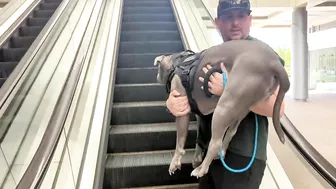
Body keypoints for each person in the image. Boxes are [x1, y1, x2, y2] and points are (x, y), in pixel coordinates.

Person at [165, 0, 286, 188]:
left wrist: (230, 89)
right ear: (217, 22)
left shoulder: (264, 55)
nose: (235, 23)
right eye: (228, 17)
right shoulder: (210, 55)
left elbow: (277, 109)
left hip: (242, 157)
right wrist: (172, 103)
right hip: (209, 154)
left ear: (250, 19)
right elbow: (189, 91)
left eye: (241, 16)